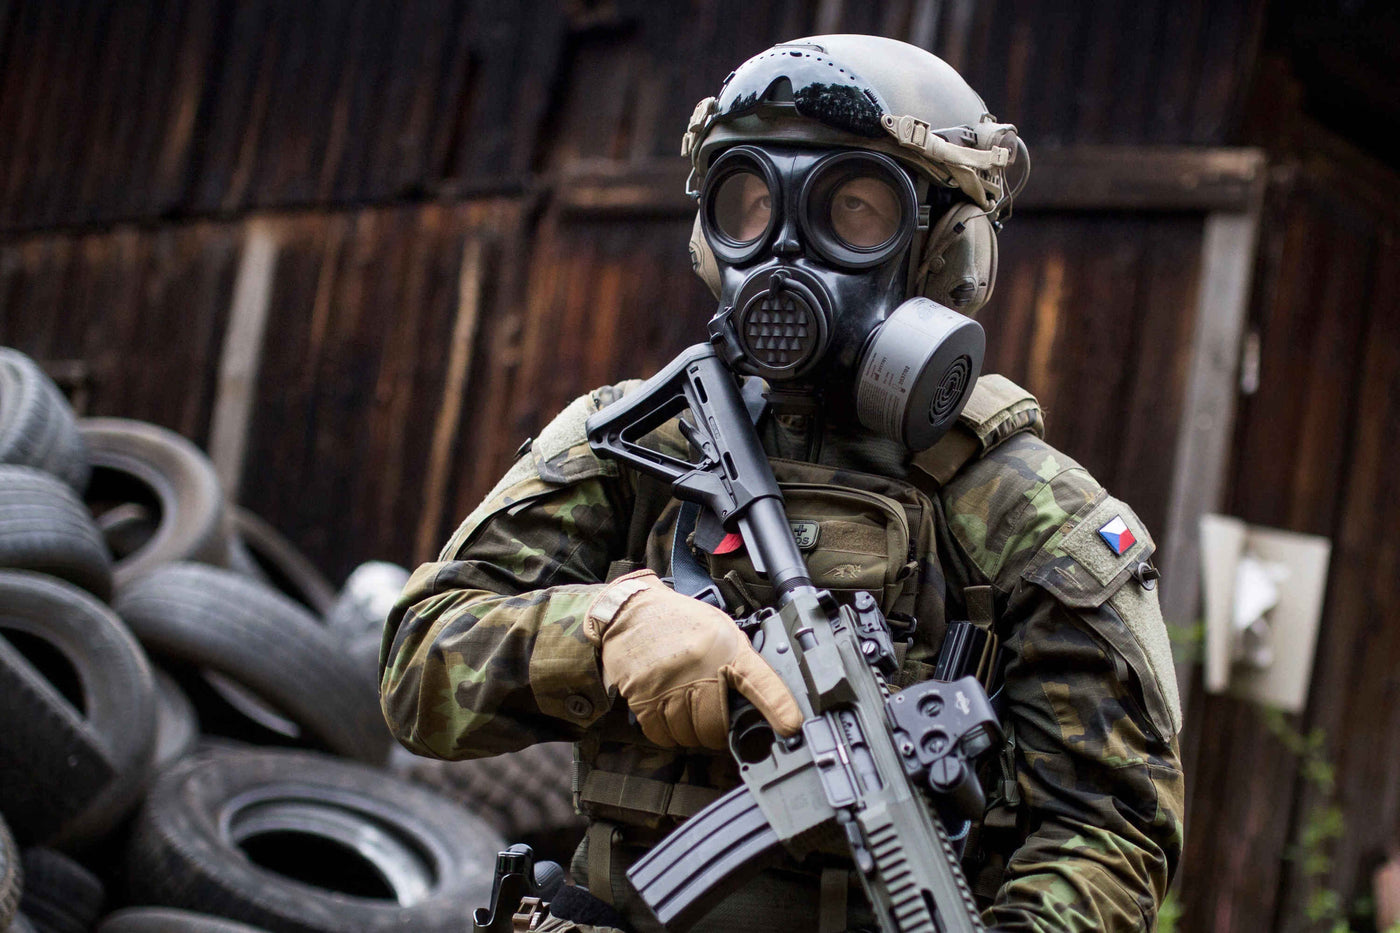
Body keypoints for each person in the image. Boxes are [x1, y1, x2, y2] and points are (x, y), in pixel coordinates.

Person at [380, 34, 1184, 932]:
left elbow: (1111, 832)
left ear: (951, 249)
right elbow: (418, 667)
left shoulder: (1033, 512)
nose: (785, 253)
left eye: (853, 210)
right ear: (706, 240)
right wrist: (606, 631)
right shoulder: (640, 439)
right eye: (750, 204)